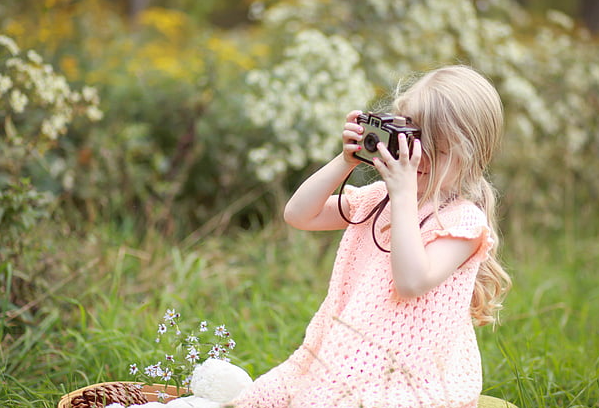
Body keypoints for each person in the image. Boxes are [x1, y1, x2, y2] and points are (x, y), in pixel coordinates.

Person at [229, 65, 512, 408]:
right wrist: (345, 161)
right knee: (260, 398)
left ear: (472, 155)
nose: (418, 158)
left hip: (413, 379)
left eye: (436, 150)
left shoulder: (463, 221)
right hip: (344, 359)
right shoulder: (380, 198)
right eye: (412, 142)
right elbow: (300, 215)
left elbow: (411, 281)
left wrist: (403, 196)